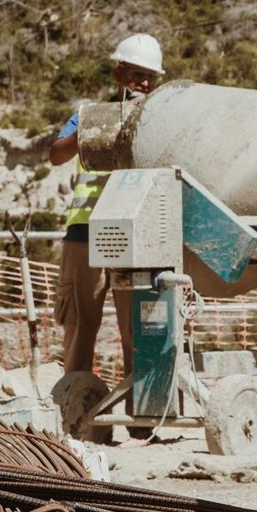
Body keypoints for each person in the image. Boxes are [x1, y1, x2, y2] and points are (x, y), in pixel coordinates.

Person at [46, 33, 163, 380]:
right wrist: (87, 129)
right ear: (118, 73)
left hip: (137, 235)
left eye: (148, 76)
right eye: (135, 73)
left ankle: (140, 412)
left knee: (138, 329)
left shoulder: (160, 121)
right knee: (80, 323)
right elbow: (56, 155)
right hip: (85, 232)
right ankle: (76, 407)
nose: (142, 82)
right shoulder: (88, 114)